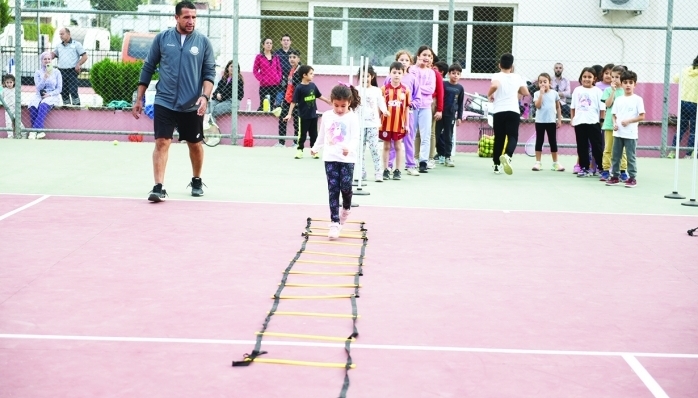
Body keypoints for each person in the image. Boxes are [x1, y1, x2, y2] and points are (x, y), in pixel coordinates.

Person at [132, 1, 215, 202]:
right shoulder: (162, 39)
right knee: (162, 142)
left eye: (194, 17)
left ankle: (196, 179)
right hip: (164, 101)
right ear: (176, 17)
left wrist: (204, 97)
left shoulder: (203, 42)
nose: (191, 21)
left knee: (195, 144)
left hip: (192, 104)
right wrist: (139, 98)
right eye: (186, 17)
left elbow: (209, 73)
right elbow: (148, 67)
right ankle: (158, 187)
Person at [310, 83, 361, 240]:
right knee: (333, 189)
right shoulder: (327, 116)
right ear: (331, 101)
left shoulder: (352, 117)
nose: (339, 109)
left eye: (343, 106)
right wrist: (316, 147)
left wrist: (349, 148)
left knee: (345, 187)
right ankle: (334, 222)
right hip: (330, 157)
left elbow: (355, 138)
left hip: (347, 159)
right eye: (336, 105)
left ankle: (346, 208)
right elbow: (322, 134)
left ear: (349, 103)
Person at [487, 53, 529, 175]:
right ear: (512, 66)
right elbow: (525, 91)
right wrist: (516, 88)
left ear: (499, 65)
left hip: (499, 111)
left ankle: (496, 165)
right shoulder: (517, 77)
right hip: (513, 111)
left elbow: (494, 85)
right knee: (513, 136)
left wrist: (489, 94)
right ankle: (508, 155)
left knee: (499, 138)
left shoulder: (497, 75)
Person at [606, 70, 645, 188]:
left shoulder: (638, 99)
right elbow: (613, 115)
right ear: (621, 84)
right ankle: (615, 177)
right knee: (615, 156)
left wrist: (629, 121)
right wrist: (614, 124)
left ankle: (632, 178)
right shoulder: (618, 99)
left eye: (630, 82)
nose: (628, 85)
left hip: (631, 134)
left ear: (635, 84)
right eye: (625, 82)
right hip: (618, 133)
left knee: (630, 156)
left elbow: (642, 116)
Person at [384, 50, 420, 176]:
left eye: (406, 60)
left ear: (410, 63)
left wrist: (410, 104)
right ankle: (388, 166)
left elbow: (417, 98)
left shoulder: (413, 79)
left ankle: (410, 165)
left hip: (406, 115)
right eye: (401, 60)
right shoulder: (389, 78)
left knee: (408, 139)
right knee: (392, 141)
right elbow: (383, 95)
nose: (404, 62)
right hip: (390, 116)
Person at [284, 65, 331, 159]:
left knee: (314, 135)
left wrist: (327, 101)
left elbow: (319, 95)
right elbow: (293, 102)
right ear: (304, 75)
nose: (313, 75)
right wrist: (289, 114)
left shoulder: (313, 86)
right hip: (303, 116)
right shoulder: (299, 88)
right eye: (311, 73)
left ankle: (314, 151)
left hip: (313, 115)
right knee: (302, 135)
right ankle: (300, 150)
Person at [570, 67, 605, 178]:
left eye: (589, 77)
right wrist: (573, 118)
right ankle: (584, 168)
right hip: (580, 122)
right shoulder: (577, 90)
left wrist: (601, 121)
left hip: (593, 123)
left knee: (597, 146)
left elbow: (602, 108)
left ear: (594, 79)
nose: (587, 79)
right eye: (584, 77)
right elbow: (573, 107)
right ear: (581, 78)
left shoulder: (598, 91)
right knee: (582, 146)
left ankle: (601, 168)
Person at [380, 62, 411, 181]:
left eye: (399, 73)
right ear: (389, 73)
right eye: (394, 72)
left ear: (403, 74)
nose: (397, 75)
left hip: (399, 124)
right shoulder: (384, 89)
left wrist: (407, 124)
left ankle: (398, 170)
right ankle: (386, 169)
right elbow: (379, 107)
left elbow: (407, 108)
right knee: (386, 146)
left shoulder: (405, 90)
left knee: (398, 146)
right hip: (385, 124)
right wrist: (378, 121)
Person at [356, 65, 387, 182]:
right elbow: (352, 105)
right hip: (360, 124)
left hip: (373, 124)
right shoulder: (356, 89)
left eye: (367, 76)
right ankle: (362, 172)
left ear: (372, 76)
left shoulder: (376, 90)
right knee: (360, 149)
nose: (365, 79)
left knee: (374, 148)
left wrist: (385, 111)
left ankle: (378, 172)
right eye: (362, 76)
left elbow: (381, 103)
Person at [599, 65, 629, 181]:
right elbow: (608, 104)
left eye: (617, 77)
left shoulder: (626, 91)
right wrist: (613, 91)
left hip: (622, 125)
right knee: (608, 149)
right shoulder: (608, 90)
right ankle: (606, 170)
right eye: (613, 77)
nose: (614, 79)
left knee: (623, 150)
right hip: (609, 124)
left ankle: (622, 171)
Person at [410, 46, 436, 173]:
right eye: (424, 55)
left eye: (429, 56)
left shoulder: (431, 73)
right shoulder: (411, 69)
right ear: (418, 55)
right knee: (412, 133)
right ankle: (410, 160)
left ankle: (423, 161)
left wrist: (418, 88)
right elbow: (411, 86)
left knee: (426, 134)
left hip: (426, 106)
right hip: (413, 105)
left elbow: (431, 89)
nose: (427, 58)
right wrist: (420, 88)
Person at [531, 72, 564, 171]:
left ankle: (555, 163)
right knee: (539, 141)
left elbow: (558, 107)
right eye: (540, 82)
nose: (542, 84)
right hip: (540, 121)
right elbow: (538, 106)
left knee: (552, 141)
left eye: (545, 81)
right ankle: (538, 162)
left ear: (549, 83)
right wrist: (541, 94)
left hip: (551, 121)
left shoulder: (554, 93)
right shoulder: (536, 94)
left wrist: (559, 119)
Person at [669, 55, 698, 159]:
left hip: (683, 102)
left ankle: (672, 151)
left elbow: (675, 79)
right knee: (694, 130)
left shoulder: (686, 70)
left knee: (681, 128)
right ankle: (688, 154)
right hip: (695, 103)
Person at [435, 64, 464, 167]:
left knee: (449, 136)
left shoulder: (460, 88)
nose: (455, 75)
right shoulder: (443, 84)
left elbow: (460, 104)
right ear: (449, 74)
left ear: (460, 75)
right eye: (453, 73)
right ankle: (434, 155)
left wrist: (459, 117)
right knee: (435, 135)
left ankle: (448, 157)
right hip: (440, 114)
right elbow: (439, 98)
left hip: (450, 116)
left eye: (458, 74)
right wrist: (439, 110)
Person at [28, 52, 62, 140]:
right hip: (39, 94)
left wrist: (49, 94)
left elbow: (59, 89)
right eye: (45, 59)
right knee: (33, 105)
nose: (47, 61)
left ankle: (33, 131)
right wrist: (44, 78)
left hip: (52, 95)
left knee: (43, 105)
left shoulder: (57, 72)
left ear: (51, 60)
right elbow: (38, 87)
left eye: (49, 59)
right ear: (42, 60)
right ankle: (40, 131)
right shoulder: (38, 72)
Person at [51, 27, 87, 106]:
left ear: (68, 34)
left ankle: (76, 107)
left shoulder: (76, 44)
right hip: (61, 71)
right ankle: (66, 107)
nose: (61, 36)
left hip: (72, 71)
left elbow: (85, 56)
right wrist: (48, 56)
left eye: (62, 34)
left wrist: (78, 64)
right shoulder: (58, 46)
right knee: (63, 91)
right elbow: (53, 54)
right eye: (60, 34)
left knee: (73, 90)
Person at [205, 60, 244, 126]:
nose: (233, 68)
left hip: (232, 102)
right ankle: (211, 127)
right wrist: (217, 95)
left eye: (235, 67)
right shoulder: (224, 78)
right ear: (228, 68)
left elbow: (233, 93)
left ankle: (211, 128)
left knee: (212, 111)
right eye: (231, 66)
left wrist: (221, 96)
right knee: (209, 106)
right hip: (221, 100)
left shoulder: (238, 80)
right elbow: (217, 90)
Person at [277, 49, 301, 147]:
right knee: (282, 119)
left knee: (297, 122)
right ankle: (281, 143)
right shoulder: (290, 70)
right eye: (290, 57)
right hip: (287, 99)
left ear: (299, 59)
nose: (291, 59)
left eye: (294, 57)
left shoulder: (301, 71)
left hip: (296, 101)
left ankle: (296, 142)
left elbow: (299, 88)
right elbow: (288, 86)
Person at [252, 38, 282, 111]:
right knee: (263, 105)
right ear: (263, 45)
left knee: (271, 106)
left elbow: (279, 69)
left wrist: (278, 78)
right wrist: (261, 79)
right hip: (264, 85)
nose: (269, 45)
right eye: (267, 43)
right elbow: (255, 70)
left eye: (270, 43)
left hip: (274, 84)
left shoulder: (276, 56)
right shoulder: (259, 57)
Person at [273, 34, 294, 106]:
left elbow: (298, 65)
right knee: (279, 98)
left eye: (288, 40)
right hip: (279, 79)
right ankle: (278, 108)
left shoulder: (293, 53)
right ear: (281, 42)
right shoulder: (276, 53)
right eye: (284, 40)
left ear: (290, 42)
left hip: (291, 78)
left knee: (290, 96)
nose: (286, 42)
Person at [2, 74, 21, 139]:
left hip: (15, 108)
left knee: (18, 122)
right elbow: (1, 98)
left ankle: (23, 134)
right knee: (8, 122)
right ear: (4, 83)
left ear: (14, 82)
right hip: (8, 109)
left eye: (11, 82)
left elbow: (19, 98)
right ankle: (10, 136)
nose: (9, 84)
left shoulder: (16, 89)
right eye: (7, 82)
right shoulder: (4, 90)